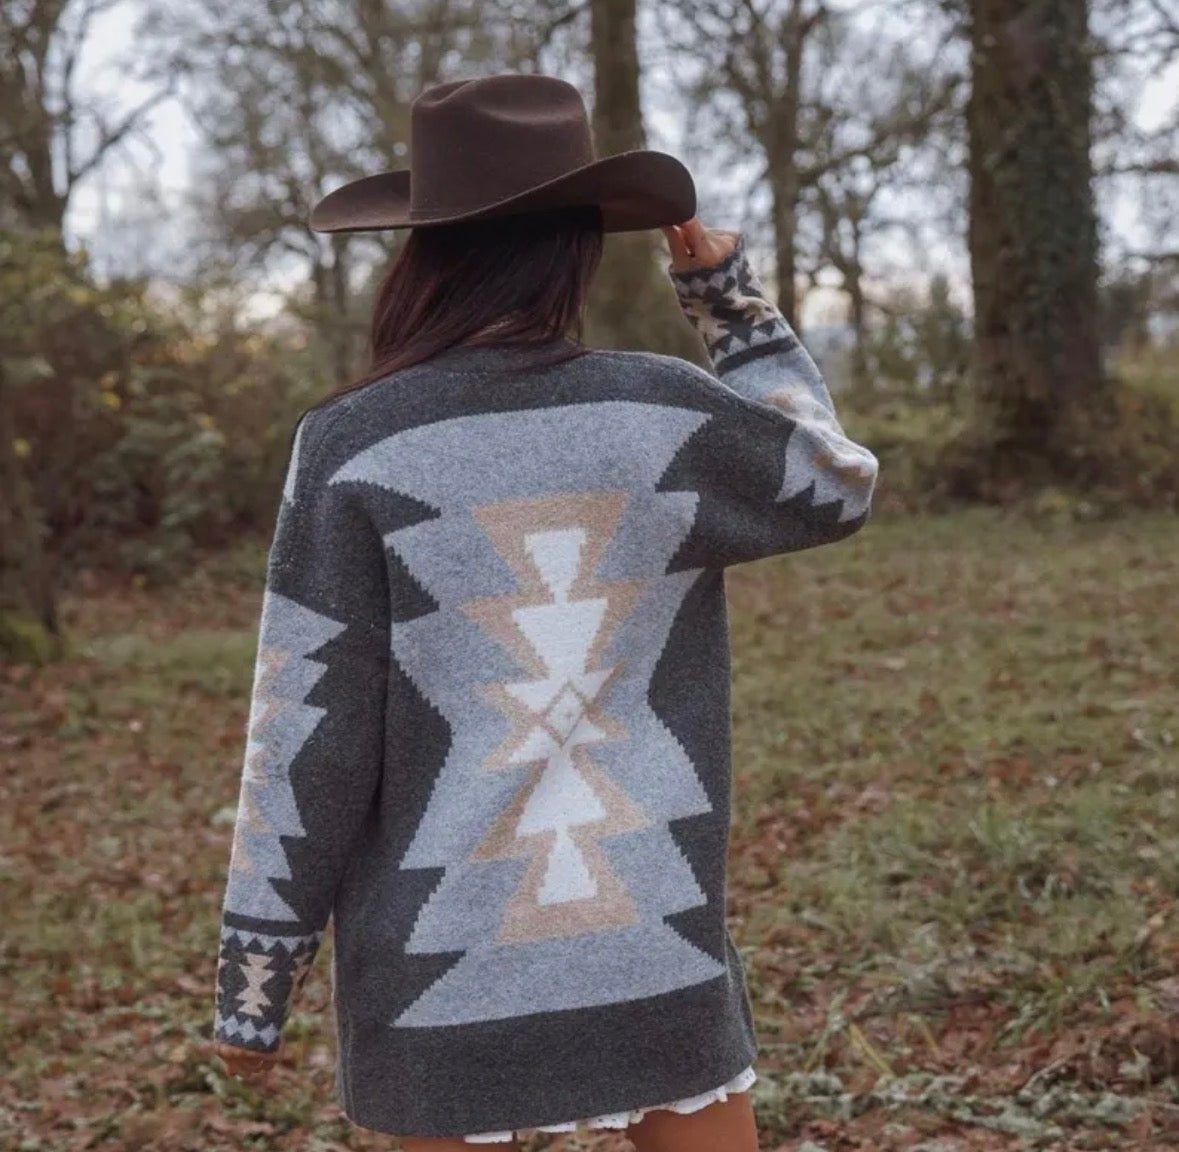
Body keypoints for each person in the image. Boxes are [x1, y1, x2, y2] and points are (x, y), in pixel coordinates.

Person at [209, 73, 879, 1152]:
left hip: (439, 960)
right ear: (579, 245)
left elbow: (305, 733)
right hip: (651, 935)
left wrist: (257, 981)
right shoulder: (661, 412)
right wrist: (727, 299)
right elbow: (835, 481)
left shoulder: (351, 445)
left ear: (421, 247)